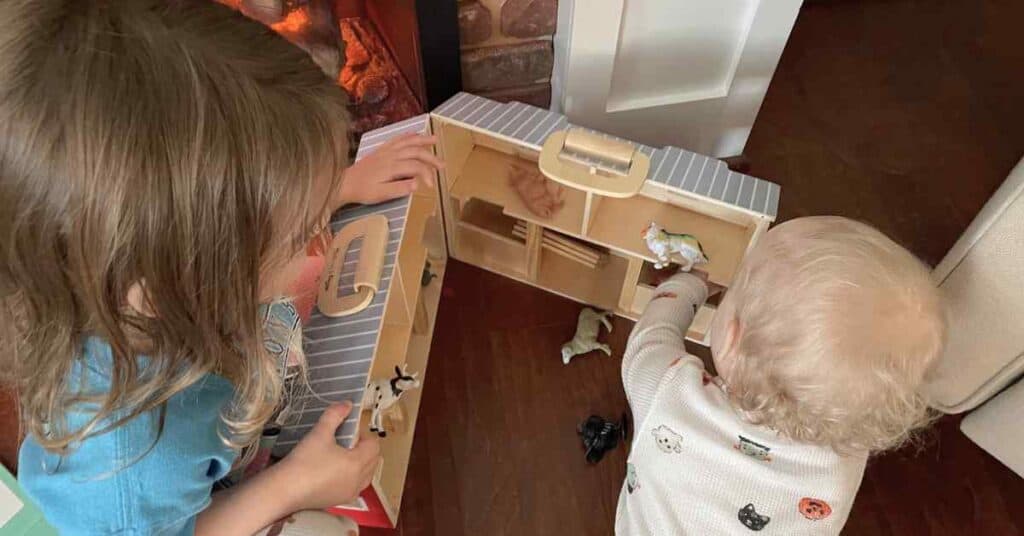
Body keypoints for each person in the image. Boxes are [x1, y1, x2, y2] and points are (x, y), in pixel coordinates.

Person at [0, 1, 443, 534]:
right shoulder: (128, 470)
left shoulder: (151, 280)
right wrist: (293, 486)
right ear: (183, 278)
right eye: (298, 230)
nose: (315, 244)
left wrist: (338, 188)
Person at [618, 216, 945, 534]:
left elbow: (651, 339)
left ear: (732, 338)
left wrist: (688, 285)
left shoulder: (670, 393)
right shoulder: (843, 461)